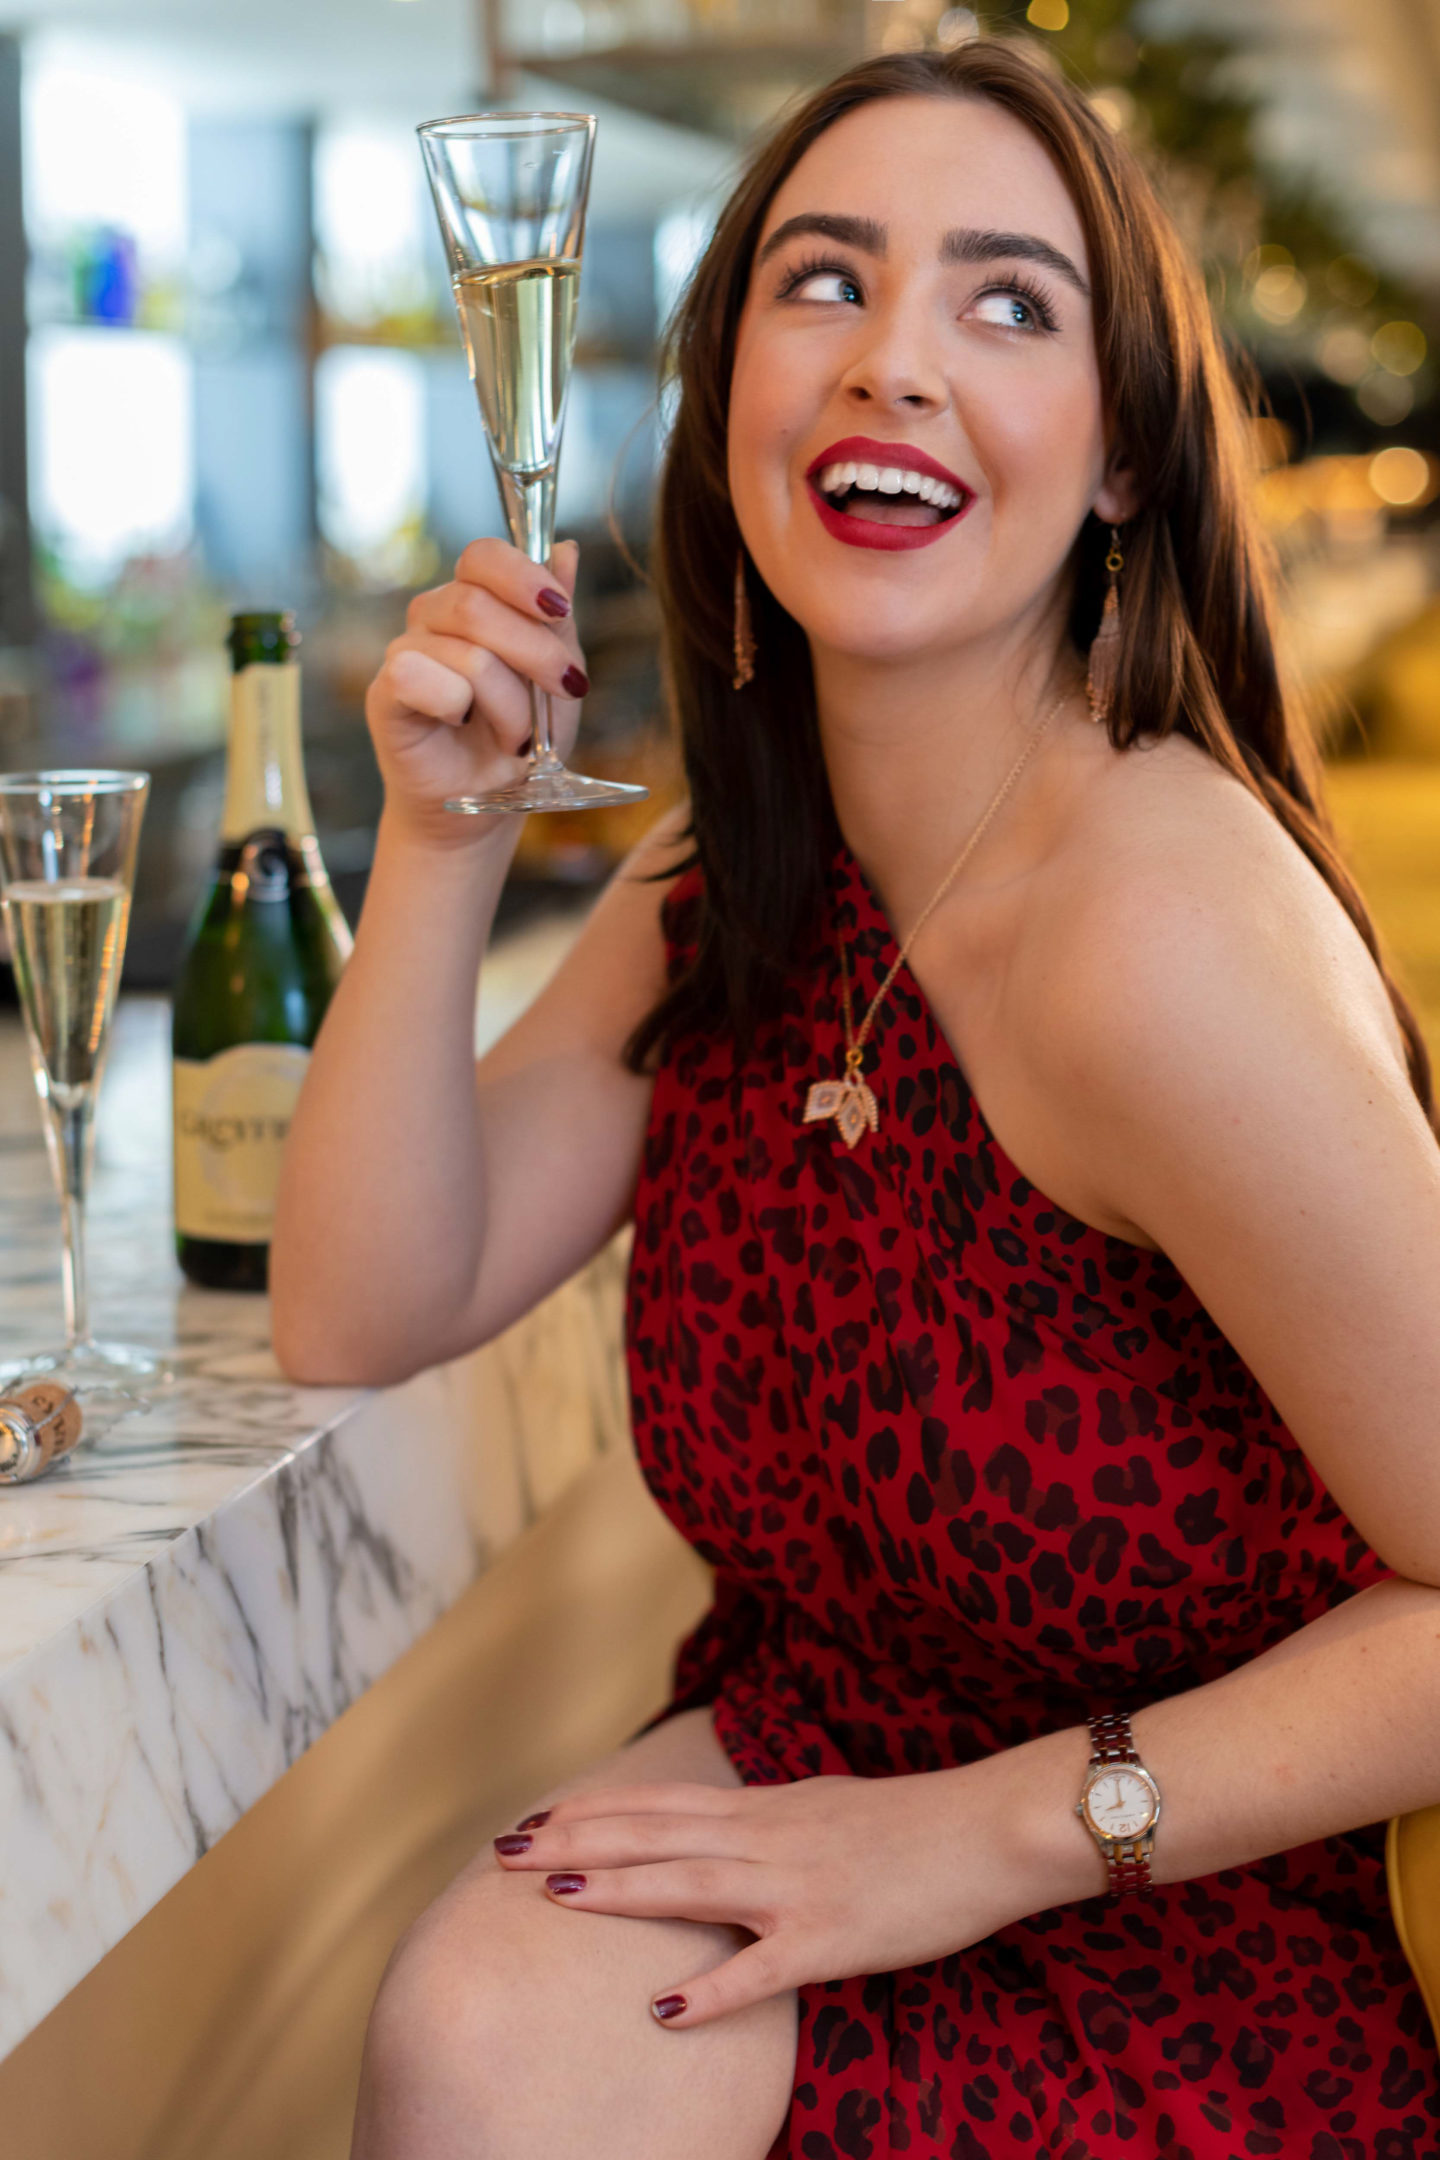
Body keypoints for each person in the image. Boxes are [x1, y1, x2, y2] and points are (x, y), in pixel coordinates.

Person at [270, 33, 1440, 2160]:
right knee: (479, 2030)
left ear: (1120, 463)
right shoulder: (743, 865)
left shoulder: (1154, 938)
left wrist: (985, 1836)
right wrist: (434, 848)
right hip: (831, 1775)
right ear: (727, 401)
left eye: (1008, 303)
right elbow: (363, 1299)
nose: (894, 359)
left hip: (1158, 1936)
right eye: (825, 280)